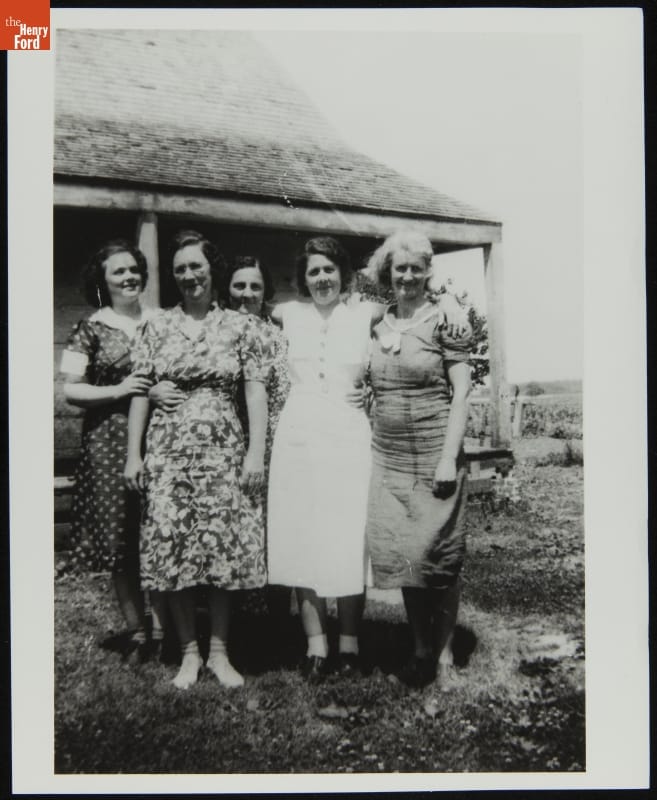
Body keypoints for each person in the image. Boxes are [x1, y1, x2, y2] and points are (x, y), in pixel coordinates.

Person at [124, 230, 268, 690]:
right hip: (167, 453)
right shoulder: (156, 325)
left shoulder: (241, 327)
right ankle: (188, 653)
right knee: (177, 545)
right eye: (180, 269)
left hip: (224, 451)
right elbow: (140, 392)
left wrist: (255, 454)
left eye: (196, 267)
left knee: (222, 547)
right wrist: (134, 455)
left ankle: (220, 653)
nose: (189, 276)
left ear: (213, 269)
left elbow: (255, 391)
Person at [364, 230, 472, 689]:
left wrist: (448, 457)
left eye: (415, 268)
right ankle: (420, 650)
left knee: (440, 559)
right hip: (388, 458)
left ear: (428, 272)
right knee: (408, 557)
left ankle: (445, 656)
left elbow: (463, 390)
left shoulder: (445, 320)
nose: (406, 276)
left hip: (434, 451)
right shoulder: (375, 322)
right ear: (386, 274)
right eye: (398, 268)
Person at [266, 236, 373, 680]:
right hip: (300, 433)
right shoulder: (285, 314)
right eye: (314, 271)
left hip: (349, 432)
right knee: (303, 534)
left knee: (348, 535)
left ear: (343, 275)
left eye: (330, 269)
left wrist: (375, 391)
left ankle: (349, 644)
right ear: (302, 279)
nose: (322, 278)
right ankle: (316, 646)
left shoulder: (368, 313)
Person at [60, 239, 162, 660]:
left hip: (160, 434)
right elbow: (70, 389)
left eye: (133, 268)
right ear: (102, 282)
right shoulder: (89, 328)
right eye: (118, 272)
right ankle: (138, 631)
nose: (128, 277)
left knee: (158, 531)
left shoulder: (161, 322)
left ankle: (164, 628)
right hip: (108, 442)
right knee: (123, 540)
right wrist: (119, 389)